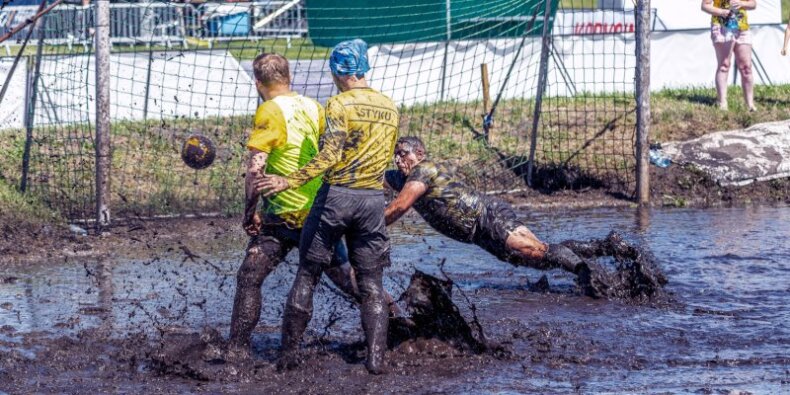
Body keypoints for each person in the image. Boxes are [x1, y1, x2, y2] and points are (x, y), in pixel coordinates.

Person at [259, 39, 399, 375]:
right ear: (363, 68)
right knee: (370, 284)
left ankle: (288, 357)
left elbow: (329, 155)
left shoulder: (338, 104)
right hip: (370, 201)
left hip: (336, 197)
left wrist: (288, 180)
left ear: (338, 71)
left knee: (307, 275)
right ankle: (375, 361)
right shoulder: (391, 107)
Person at [228, 53, 359, 356]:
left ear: (257, 82)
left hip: (282, 215)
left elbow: (254, 170)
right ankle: (397, 323)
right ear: (289, 78)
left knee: (249, 277)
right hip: (318, 211)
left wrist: (249, 212)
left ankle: (236, 350)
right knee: (347, 279)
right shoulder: (314, 106)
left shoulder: (269, 111)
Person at [383, 136, 611, 297]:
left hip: (486, 215)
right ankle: (604, 247)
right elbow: (374, 178)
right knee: (536, 257)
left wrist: (370, 224)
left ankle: (585, 273)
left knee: (529, 248)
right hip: (477, 234)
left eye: (403, 154)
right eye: (395, 156)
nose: (398, 160)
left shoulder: (422, 170)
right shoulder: (400, 178)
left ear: (420, 154)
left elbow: (400, 206)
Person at [701, 0, 758, 111]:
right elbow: (705, 6)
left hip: (742, 27)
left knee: (746, 68)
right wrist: (721, 11)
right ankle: (722, 103)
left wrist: (742, 4)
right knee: (724, 65)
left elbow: (753, 4)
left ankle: (750, 105)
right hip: (722, 26)